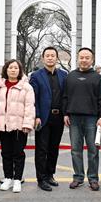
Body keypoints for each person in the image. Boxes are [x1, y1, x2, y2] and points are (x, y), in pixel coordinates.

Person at [63, 47, 101, 191]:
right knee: (75, 149)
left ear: (92, 60)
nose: (84, 60)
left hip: (92, 119)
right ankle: (78, 177)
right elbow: (65, 97)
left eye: (87, 57)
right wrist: (65, 114)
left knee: (93, 150)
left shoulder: (98, 78)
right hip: (74, 118)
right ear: (77, 58)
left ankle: (93, 178)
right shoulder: (70, 76)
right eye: (81, 57)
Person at [29, 47, 67, 191]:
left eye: (53, 55)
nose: (50, 58)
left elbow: (66, 96)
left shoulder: (64, 75)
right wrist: (36, 115)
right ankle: (41, 178)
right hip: (43, 117)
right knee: (42, 149)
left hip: (58, 117)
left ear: (57, 58)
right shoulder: (36, 76)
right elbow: (34, 98)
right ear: (43, 58)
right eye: (47, 56)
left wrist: (66, 114)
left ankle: (50, 174)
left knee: (54, 148)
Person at [0, 59, 35, 193]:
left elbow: (29, 107)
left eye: (16, 68)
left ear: (20, 71)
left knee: (18, 153)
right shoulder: (0, 86)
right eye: (10, 68)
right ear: (6, 70)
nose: (13, 70)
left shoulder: (26, 87)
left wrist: (27, 124)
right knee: (5, 153)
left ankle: (17, 179)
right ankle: (8, 178)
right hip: (4, 125)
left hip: (19, 126)